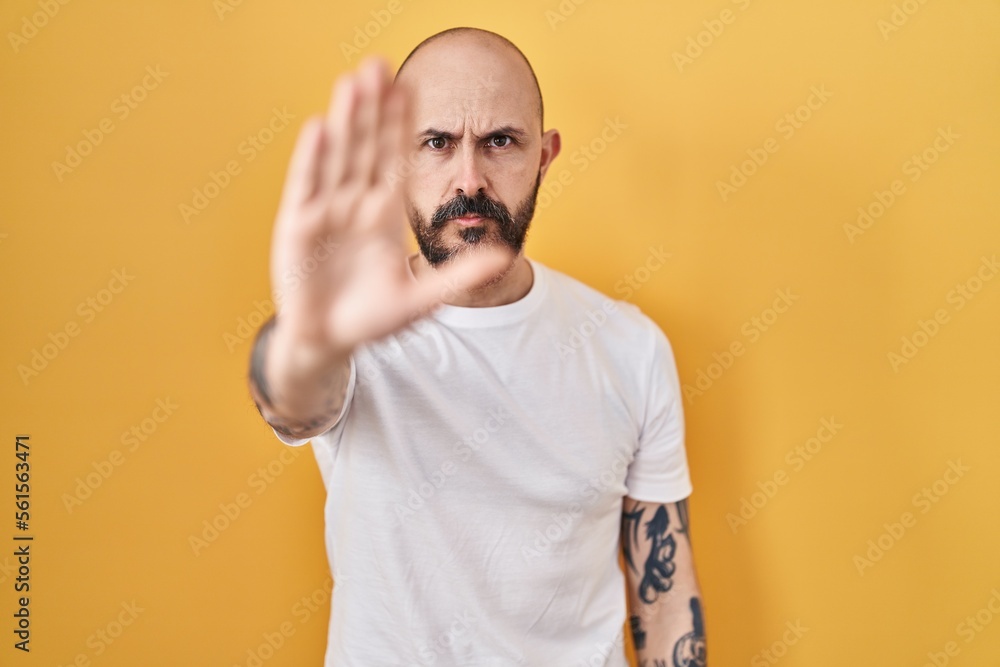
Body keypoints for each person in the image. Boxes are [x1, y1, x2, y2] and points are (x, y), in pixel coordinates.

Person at [247, 26, 705, 667]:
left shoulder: (631, 347)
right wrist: (307, 335)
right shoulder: (350, 341)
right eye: (436, 143)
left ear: (544, 156)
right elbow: (292, 400)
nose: (471, 179)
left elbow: (664, 591)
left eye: (499, 142)